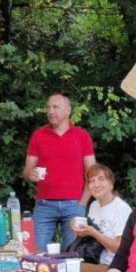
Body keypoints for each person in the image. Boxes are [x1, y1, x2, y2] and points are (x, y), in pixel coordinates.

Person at [22, 93, 96, 251]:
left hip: (74, 204)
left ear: (68, 110)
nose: (51, 111)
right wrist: (31, 174)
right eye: (48, 107)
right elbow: (27, 171)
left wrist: (82, 203)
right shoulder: (38, 135)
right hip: (44, 204)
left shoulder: (82, 136)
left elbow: (92, 173)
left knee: (73, 255)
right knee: (34, 252)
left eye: (56, 107)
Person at [70, 163, 132, 272]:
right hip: (93, 259)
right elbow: (89, 240)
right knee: (59, 262)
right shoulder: (94, 205)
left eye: (101, 179)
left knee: (67, 268)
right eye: (91, 181)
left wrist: (93, 233)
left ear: (111, 184)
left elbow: (121, 249)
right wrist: (79, 231)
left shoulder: (120, 209)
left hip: (114, 266)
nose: (96, 184)